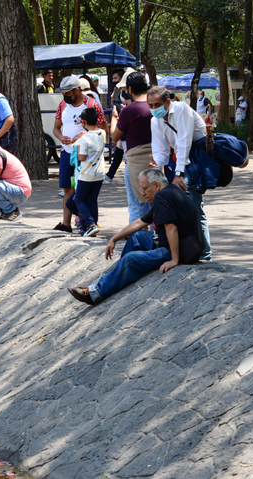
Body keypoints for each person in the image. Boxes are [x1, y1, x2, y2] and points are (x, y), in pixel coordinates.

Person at [68, 168, 204, 305]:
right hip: (173, 243)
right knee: (137, 236)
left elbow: (171, 228)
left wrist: (174, 260)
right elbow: (140, 222)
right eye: (141, 190)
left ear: (156, 185)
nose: (143, 194)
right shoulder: (168, 192)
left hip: (178, 249)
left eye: (144, 189)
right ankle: (115, 276)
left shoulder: (162, 196)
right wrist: (114, 238)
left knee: (130, 259)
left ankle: (96, 292)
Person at [148, 85, 211, 261]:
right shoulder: (155, 121)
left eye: (157, 104)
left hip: (195, 160)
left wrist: (179, 174)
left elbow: (184, 142)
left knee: (194, 207)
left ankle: (205, 254)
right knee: (181, 208)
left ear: (168, 102)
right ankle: (187, 250)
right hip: (179, 163)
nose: (154, 109)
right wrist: (155, 164)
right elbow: (161, 150)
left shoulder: (182, 109)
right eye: (150, 105)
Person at [53, 75, 107, 232]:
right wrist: (60, 137)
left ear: (76, 90)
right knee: (67, 189)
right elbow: (56, 127)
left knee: (83, 192)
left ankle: (87, 222)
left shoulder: (92, 105)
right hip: (68, 152)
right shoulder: (63, 105)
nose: (65, 97)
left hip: (86, 156)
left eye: (67, 93)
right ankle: (66, 224)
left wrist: (84, 136)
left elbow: (103, 129)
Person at [111, 71, 153, 223]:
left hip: (135, 163)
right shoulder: (154, 105)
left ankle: (136, 242)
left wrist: (116, 117)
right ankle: (152, 240)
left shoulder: (129, 110)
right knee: (152, 204)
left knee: (136, 206)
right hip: (156, 160)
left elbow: (114, 137)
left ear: (129, 89)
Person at [65, 107, 105, 237]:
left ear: (83, 121)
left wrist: (77, 145)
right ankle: (91, 224)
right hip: (99, 173)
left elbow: (82, 158)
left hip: (86, 175)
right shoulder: (102, 133)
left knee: (79, 200)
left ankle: (90, 223)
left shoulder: (84, 139)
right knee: (92, 200)